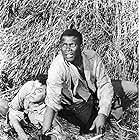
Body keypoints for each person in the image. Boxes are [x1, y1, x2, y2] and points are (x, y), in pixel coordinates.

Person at [42, 29, 138, 138]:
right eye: (64, 45)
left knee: (133, 89)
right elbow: (52, 101)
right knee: (95, 131)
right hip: (79, 102)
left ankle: (111, 115)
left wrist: (102, 114)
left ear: (81, 47)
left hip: (95, 92)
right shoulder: (57, 67)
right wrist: (45, 132)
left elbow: (105, 85)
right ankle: (101, 119)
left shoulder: (92, 57)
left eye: (72, 45)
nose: (67, 49)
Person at [8, 74, 61, 140]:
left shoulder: (46, 112)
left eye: (38, 90)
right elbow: (12, 109)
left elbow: (57, 131)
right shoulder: (28, 87)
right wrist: (21, 133)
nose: (33, 92)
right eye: (33, 87)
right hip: (23, 115)